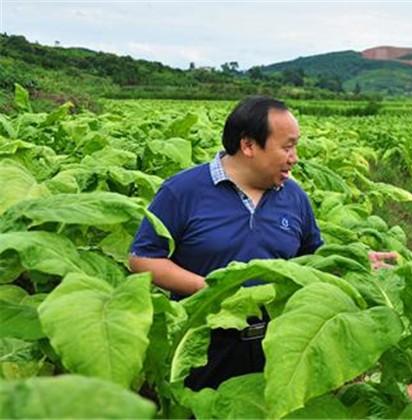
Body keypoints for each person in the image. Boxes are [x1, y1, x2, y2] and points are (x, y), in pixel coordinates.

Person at [129, 96, 323, 390]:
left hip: (277, 345)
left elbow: (314, 259)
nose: (294, 157)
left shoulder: (294, 197)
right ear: (248, 145)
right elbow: (143, 258)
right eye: (287, 147)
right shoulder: (182, 191)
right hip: (200, 345)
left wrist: (356, 261)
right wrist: (211, 291)